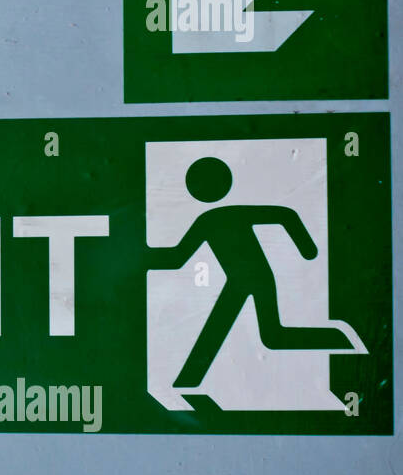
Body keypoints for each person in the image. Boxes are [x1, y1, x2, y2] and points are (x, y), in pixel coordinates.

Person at [148, 156, 351, 389]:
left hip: (256, 279)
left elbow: (285, 215)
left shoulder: (214, 218)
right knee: (267, 334)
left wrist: (308, 249)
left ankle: (340, 339)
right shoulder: (208, 220)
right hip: (240, 281)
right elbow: (178, 257)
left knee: (271, 336)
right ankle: (188, 381)